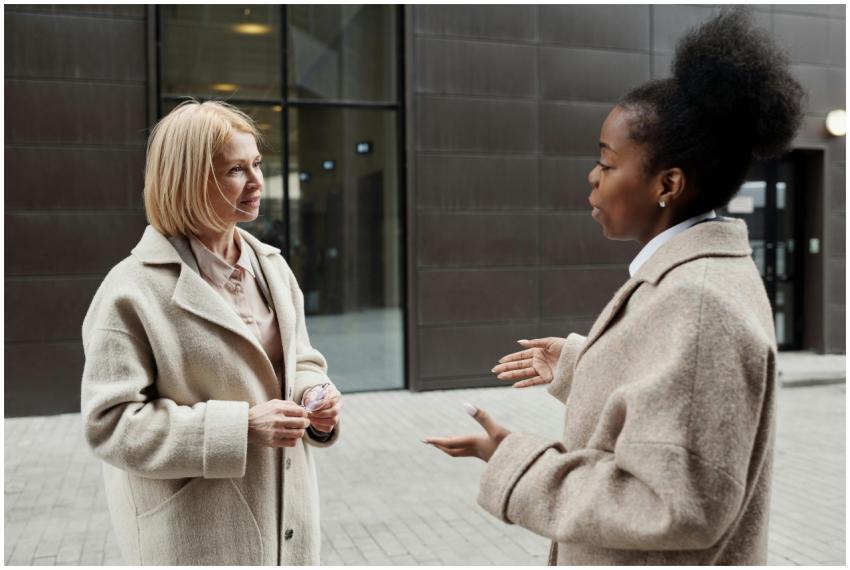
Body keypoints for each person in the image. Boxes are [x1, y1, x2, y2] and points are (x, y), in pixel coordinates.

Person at [424, 9, 804, 565]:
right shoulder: (690, 280)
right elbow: (673, 396)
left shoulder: (698, 301)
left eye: (606, 162)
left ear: (667, 185)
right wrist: (585, 364)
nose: (592, 176)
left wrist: (515, 460)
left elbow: (674, 504)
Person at [81, 100, 343, 565]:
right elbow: (112, 426)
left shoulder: (273, 268)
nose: (258, 183)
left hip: (288, 532)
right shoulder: (130, 290)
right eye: (235, 170)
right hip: (198, 541)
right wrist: (241, 428)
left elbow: (299, 357)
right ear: (188, 179)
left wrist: (315, 396)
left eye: (257, 164)